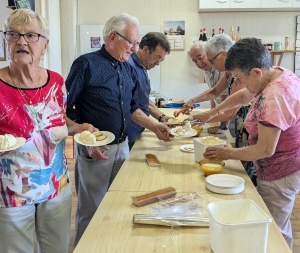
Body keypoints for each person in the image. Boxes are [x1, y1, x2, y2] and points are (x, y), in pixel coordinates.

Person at [65, 13, 173, 246]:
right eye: (131, 42)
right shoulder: (86, 64)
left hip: (122, 147)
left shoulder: (126, 68)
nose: (135, 49)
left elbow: (133, 107)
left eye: (137, 43)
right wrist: (86, 140)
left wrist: (156, 126)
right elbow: (66, 109)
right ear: (112, 37)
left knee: (119, 204)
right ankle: (86, 247)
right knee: (91, 210)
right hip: (96, 150)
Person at [202, 37, 300, 249]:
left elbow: (265, 149)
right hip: (274, 167)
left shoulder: (276, 95)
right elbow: (244, 95)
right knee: (274, 224)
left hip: (279, 172)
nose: (240, 84)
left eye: (239, 78)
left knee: (275, 230)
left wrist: (226, 154)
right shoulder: (271, 73)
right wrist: (212, 112)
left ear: (256, 72)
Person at [0, 9, 72, 253]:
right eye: (13, 34)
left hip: (56, 185)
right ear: (5, 41)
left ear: (45, 44)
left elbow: (59, 122)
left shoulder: (57, 82)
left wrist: (79, 128)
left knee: (57, 250)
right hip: (11, 193)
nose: (21, 41)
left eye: (31, 35)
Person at [183, 34, 256, 184]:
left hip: (250, 124)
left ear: (224, 54)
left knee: (250, 168)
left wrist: (201, 118)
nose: (210, 64)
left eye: (211, 60)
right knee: (243, 163)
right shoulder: (229, 72)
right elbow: (214, 92)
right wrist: (192, 101)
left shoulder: (240, 74)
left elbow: (229, 113)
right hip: (242, 124)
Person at [127, 32, 172, 149]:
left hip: (139, 128)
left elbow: (142, 98)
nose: (158, 63)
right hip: (128, 132)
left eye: (161, 60)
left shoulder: (143, 67)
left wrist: (161, 117)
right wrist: (155, 127)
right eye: (157, 57)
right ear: (145, 49)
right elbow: (129, 106)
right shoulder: (129, 67)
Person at [187, 40, 230, 134]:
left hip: (230, 117)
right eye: (194, 61)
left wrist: (223, 125)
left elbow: (227, 100)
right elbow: (213, 93)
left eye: (200, 58)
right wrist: (210, 113)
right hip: (222, 113)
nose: (199, 63)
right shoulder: (207, 70)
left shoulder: (223, 69)